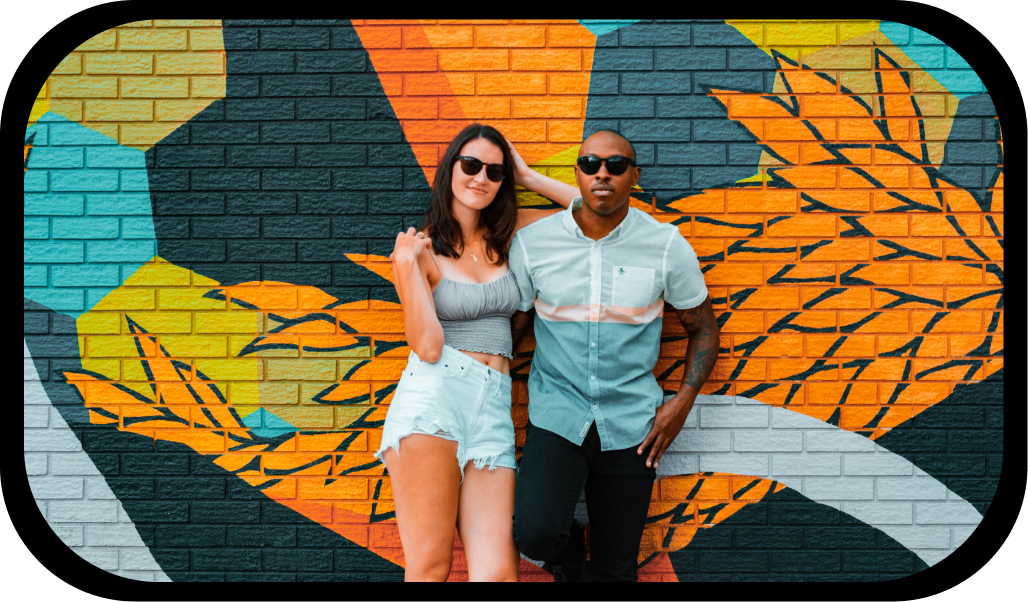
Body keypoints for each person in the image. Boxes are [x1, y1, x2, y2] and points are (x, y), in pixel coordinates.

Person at [508, 130, 721, 582]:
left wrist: (681, 403)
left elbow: (703, 330)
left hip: (633, 426)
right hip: (557, 414)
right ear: (578, 175)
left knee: (617, 568)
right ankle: (570, 559)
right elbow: (517, 325)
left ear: (633, 176)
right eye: (590, 164)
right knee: (535, 534)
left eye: (616, 165)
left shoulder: (665, 246)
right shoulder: (533, 244)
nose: (602, 173)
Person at [374, 123, 580, 581]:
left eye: (495, 171)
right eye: (471, 165)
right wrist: (405, 267)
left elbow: (593, 212)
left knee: (498, 574)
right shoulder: (421, 249)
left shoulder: (510, 235)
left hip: (493, 406)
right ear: (450, 168)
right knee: (430, 566)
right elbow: (427, 347)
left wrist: (527, 177)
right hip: (436, 401)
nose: (481, 178)